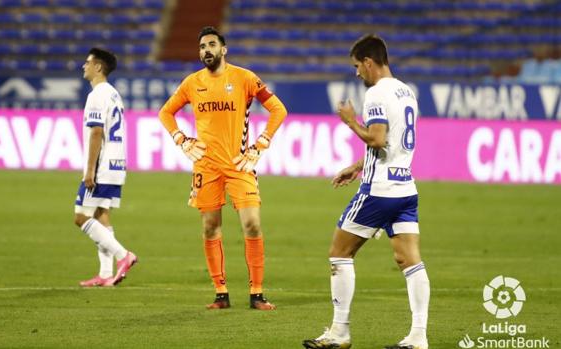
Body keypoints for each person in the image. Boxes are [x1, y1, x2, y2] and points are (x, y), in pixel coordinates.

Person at [302, 35, 430, 349]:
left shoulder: (376, 94)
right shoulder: (406, 92)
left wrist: (349, 122)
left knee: (339, 253)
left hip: (378, 191)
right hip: (405, 188)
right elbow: (392, 143)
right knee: (409, 260)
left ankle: (339, 333)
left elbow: (376, 139)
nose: (357, 73)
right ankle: (418, 336)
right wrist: (357, 166)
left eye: (358, 66)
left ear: (369, 63)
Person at [158, 26, 287, 310]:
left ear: (223, 49)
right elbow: (166, 112)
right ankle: (221, 293)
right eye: (202, 46)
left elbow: (278, 109)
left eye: (212, 45)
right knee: (210, 227)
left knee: (252, 224)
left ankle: (257, 293)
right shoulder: (192, 82)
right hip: (206, 165)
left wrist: (261, 143)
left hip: (239, 163)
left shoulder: (245, 78)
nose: (206, 50)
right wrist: (181, 139)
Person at [73, 47, 137, 287]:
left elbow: (97, 132)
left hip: (101, 167)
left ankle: (124, 255)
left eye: (87, 62)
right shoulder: (113, 94)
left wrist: (89, 171)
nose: (84, 66)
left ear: (98, 67)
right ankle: (105, 273)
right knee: (102, 215)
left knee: (80, 217)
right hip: (116, 164)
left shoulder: (97, 95)